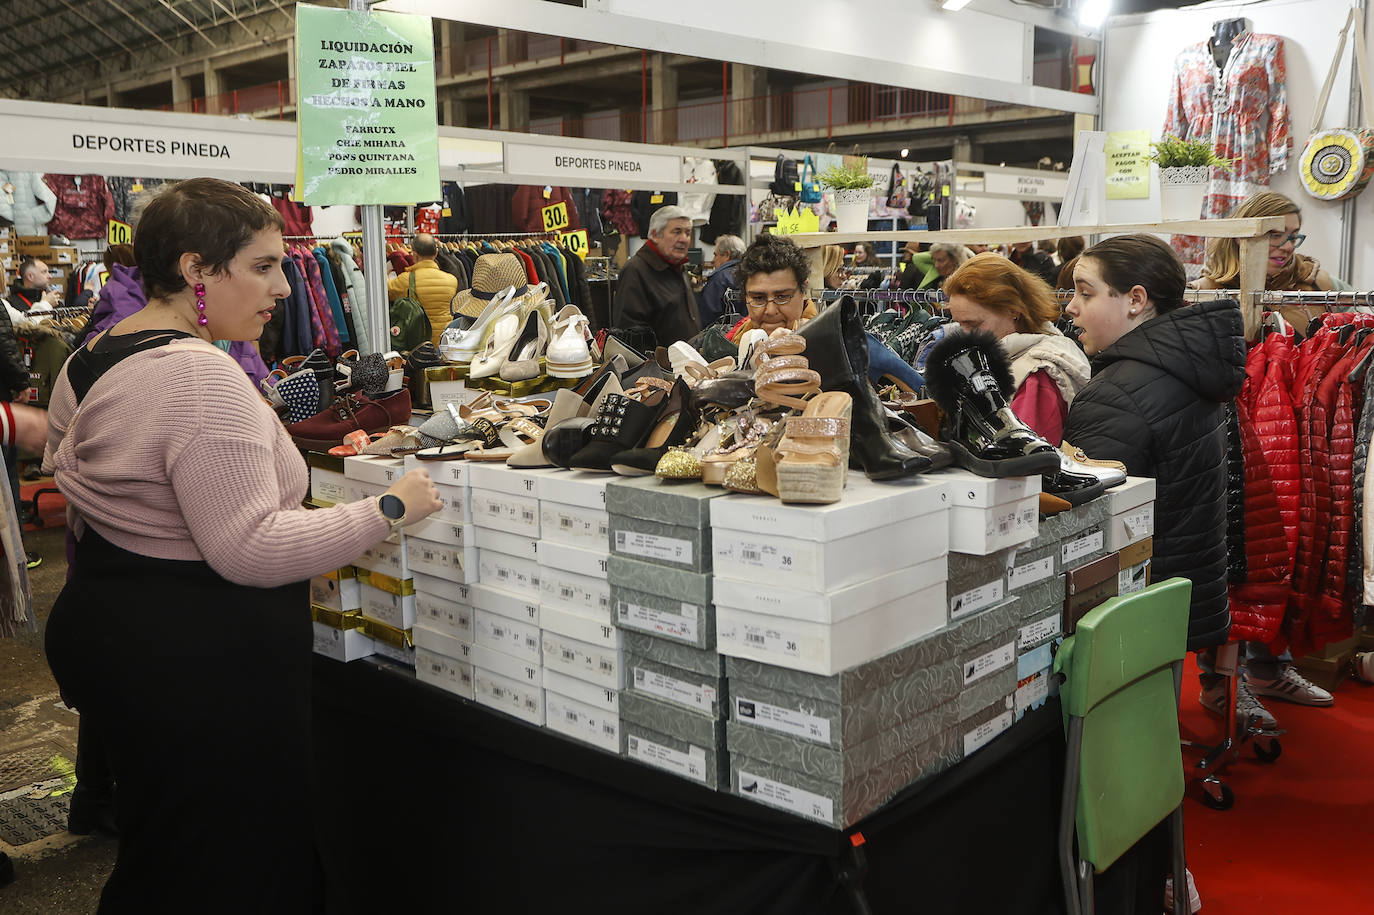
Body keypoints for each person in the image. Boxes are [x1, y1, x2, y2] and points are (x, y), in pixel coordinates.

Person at [41, 178, 444, 912]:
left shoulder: (94, 352)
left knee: (166, 846)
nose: (285, 289)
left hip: (114, 633)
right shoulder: (203, 377)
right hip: (199, 658)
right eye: (262, 266)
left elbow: (76, 484)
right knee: (231, 861)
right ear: (197, 270)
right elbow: (250, 548)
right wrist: (388, 507)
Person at [1062, 235, 1249, 713]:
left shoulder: (1119, 391)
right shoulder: (1190, 368)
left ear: (1136, 300)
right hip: (1183, 582)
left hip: (1131, 600)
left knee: (1118, 724)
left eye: (1086, 293)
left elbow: (1093, 530)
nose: (1071, 308)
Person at [945, 253, 1089, 444]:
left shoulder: (1037, 376)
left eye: (973, 324)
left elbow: (1026, 461)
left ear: (1013, 310)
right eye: (959, 324)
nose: (965, 335)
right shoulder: (1015, 358)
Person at [1196, 191, 1352, 331]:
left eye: (1293, 237)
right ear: (1240, 236)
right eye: (1275, 235)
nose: (1289, 247)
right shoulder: (1202, 293)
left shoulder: (1319, 283)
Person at [612, 205, 700, 347]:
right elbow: (630, 332)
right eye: (677, 232)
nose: (684, 239)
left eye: (688, 233)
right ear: (655, 235)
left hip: (685, 364)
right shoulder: (635, 271)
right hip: (659, 367)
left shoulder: (678, 267)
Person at [387, 231, 459, 346]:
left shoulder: (405, 280)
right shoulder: (452, 280)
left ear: (414, 255)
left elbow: (387, 291)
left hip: (418, 344)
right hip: (444, 343)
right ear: (436, 253)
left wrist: (385, 272)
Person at [696, 234, 744, 327]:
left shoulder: (719, 280)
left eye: (715, 255)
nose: (713, 260)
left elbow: (707, 317)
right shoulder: (750, 275)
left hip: (724, 337)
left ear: (727, 255)